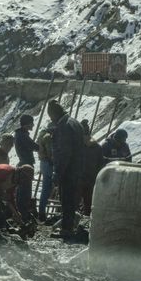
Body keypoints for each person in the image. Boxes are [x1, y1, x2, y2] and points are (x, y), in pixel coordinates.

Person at [47, 100, 84, 239]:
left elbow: (64, 153)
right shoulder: (74, 122)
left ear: (54, 114)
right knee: (71, 199)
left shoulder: (64, 126)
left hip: (68, 170)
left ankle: (66, 229)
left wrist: (58, 173)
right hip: (76, 168)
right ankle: (69, 226)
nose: (51, 120)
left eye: (50, 116)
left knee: (66, 200)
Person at [14, 114, 39, 222]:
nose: (33, 124)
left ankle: (23, 213)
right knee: (25, 191)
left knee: (23, 191)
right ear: (27, 124)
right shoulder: (23, 136)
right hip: (26, 165)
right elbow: (33, 146)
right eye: (31, 122)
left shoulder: (20, 134)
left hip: (23, 164)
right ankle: (23, 214)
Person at [78, 120, 105, 215]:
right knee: (88, 202)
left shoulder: (77, 145)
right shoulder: (97, 147)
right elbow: (101, 164)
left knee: (74, 202)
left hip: (79, 177)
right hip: (91, 178)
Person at [37, 123, 55, 222]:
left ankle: (41, 211)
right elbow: (50, 152)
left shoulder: (41, 135)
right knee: (47, 188)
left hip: (43, 163)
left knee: (45, 188)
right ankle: (42, 213)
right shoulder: (48, 137)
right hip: (48, 164)